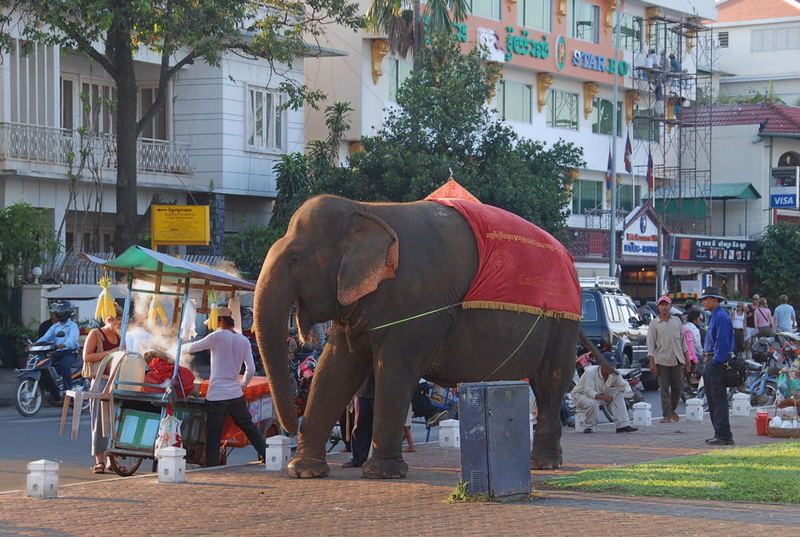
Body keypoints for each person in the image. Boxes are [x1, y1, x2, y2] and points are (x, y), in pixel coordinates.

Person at [184, 306, 266, 467]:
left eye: (215, 321)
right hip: (236, 394)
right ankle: (268, 455)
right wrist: (242, 385)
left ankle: (212, 467)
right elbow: (251, 369)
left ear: (220, 320)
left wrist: (175, 349)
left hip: (216, 396)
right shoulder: (243, 340)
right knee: (249, 427)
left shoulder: (217, 336)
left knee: (214, 434)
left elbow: (192, 348)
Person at [82, 303, 122, 473]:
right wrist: (111, 352)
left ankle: (114, 458)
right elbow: (87, 357)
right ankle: (99, 459)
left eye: (122, 323)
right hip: (100, 380)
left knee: (118, 419)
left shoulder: (123, 335)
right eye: (118, 323)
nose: (120, 327)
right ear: (108, 320)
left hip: (118, 380)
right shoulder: (96, 334)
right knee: (99, 420)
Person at [700, 286, 735, 445]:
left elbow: (723, 342)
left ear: (716, 300)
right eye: (703, 299)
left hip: (716, 362)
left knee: (718, 399)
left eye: (707, 299)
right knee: (712, 400)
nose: (704, 302)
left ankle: (724, 435)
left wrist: (716, 361)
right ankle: (719, 433)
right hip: (710, 360)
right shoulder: (713, 315)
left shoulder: (721, 316)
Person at [646, 295, 690, 424]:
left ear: (670, 306)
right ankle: (667, 415)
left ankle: (672, 410)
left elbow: (683, 343)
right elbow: (651, 344)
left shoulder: (677, 321)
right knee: (664, 388)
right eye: (662, 305)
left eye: (667, 305)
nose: (664, 307)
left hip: (677, 358)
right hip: (661, 359)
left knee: (678, 387)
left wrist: (687, 360)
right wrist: (651, 361)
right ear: (658, 307)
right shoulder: (654, 323)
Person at [570, 353, 638, 434]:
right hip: (580, 395)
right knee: (592, 403)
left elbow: (624, 385)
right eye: (610, 365)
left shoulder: (614, 373)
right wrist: (603, 397)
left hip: (599, 394)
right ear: (602, 365)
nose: (612, 367)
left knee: (618, 394)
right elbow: (588, 391)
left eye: (614, 365)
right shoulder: (590, 372)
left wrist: (629, 394)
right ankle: (590, 427)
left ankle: (623, 425)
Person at [35, 300, 80, 391]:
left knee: (64, 365)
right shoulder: (55, 327)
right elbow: (46, 337)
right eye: (59, 310)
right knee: (44, 365)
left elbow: (72, 339)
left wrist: (64, 344)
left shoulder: (73, 326)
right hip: (57, 351)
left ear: (67, 312)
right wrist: (35, 345)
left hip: (70, 352)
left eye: (62, 310)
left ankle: (68, 391)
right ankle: (51, 389)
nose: (60, 312)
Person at [343, 370, 375, 468]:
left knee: (382, 429)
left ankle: (385, 458)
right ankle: (358, 458)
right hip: (362, 394)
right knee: (359, 427)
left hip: (380, 394)